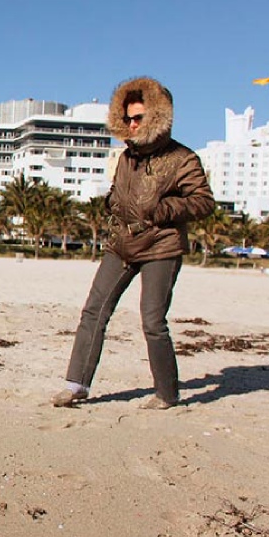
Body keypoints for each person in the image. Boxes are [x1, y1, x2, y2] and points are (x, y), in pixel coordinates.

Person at [51, 76, 214, 411]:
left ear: (157, 116)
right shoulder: (126, 157)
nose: (132, 124)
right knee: (93, 312)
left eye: (138, 117)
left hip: (161, 246)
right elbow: (121, 193)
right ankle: (75, 385)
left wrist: (165, 209)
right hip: (121, 244)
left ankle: (166, 394)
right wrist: (112, 201)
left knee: (153, 322)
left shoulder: (183, 158)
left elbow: (204, 201)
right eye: (127, 118)